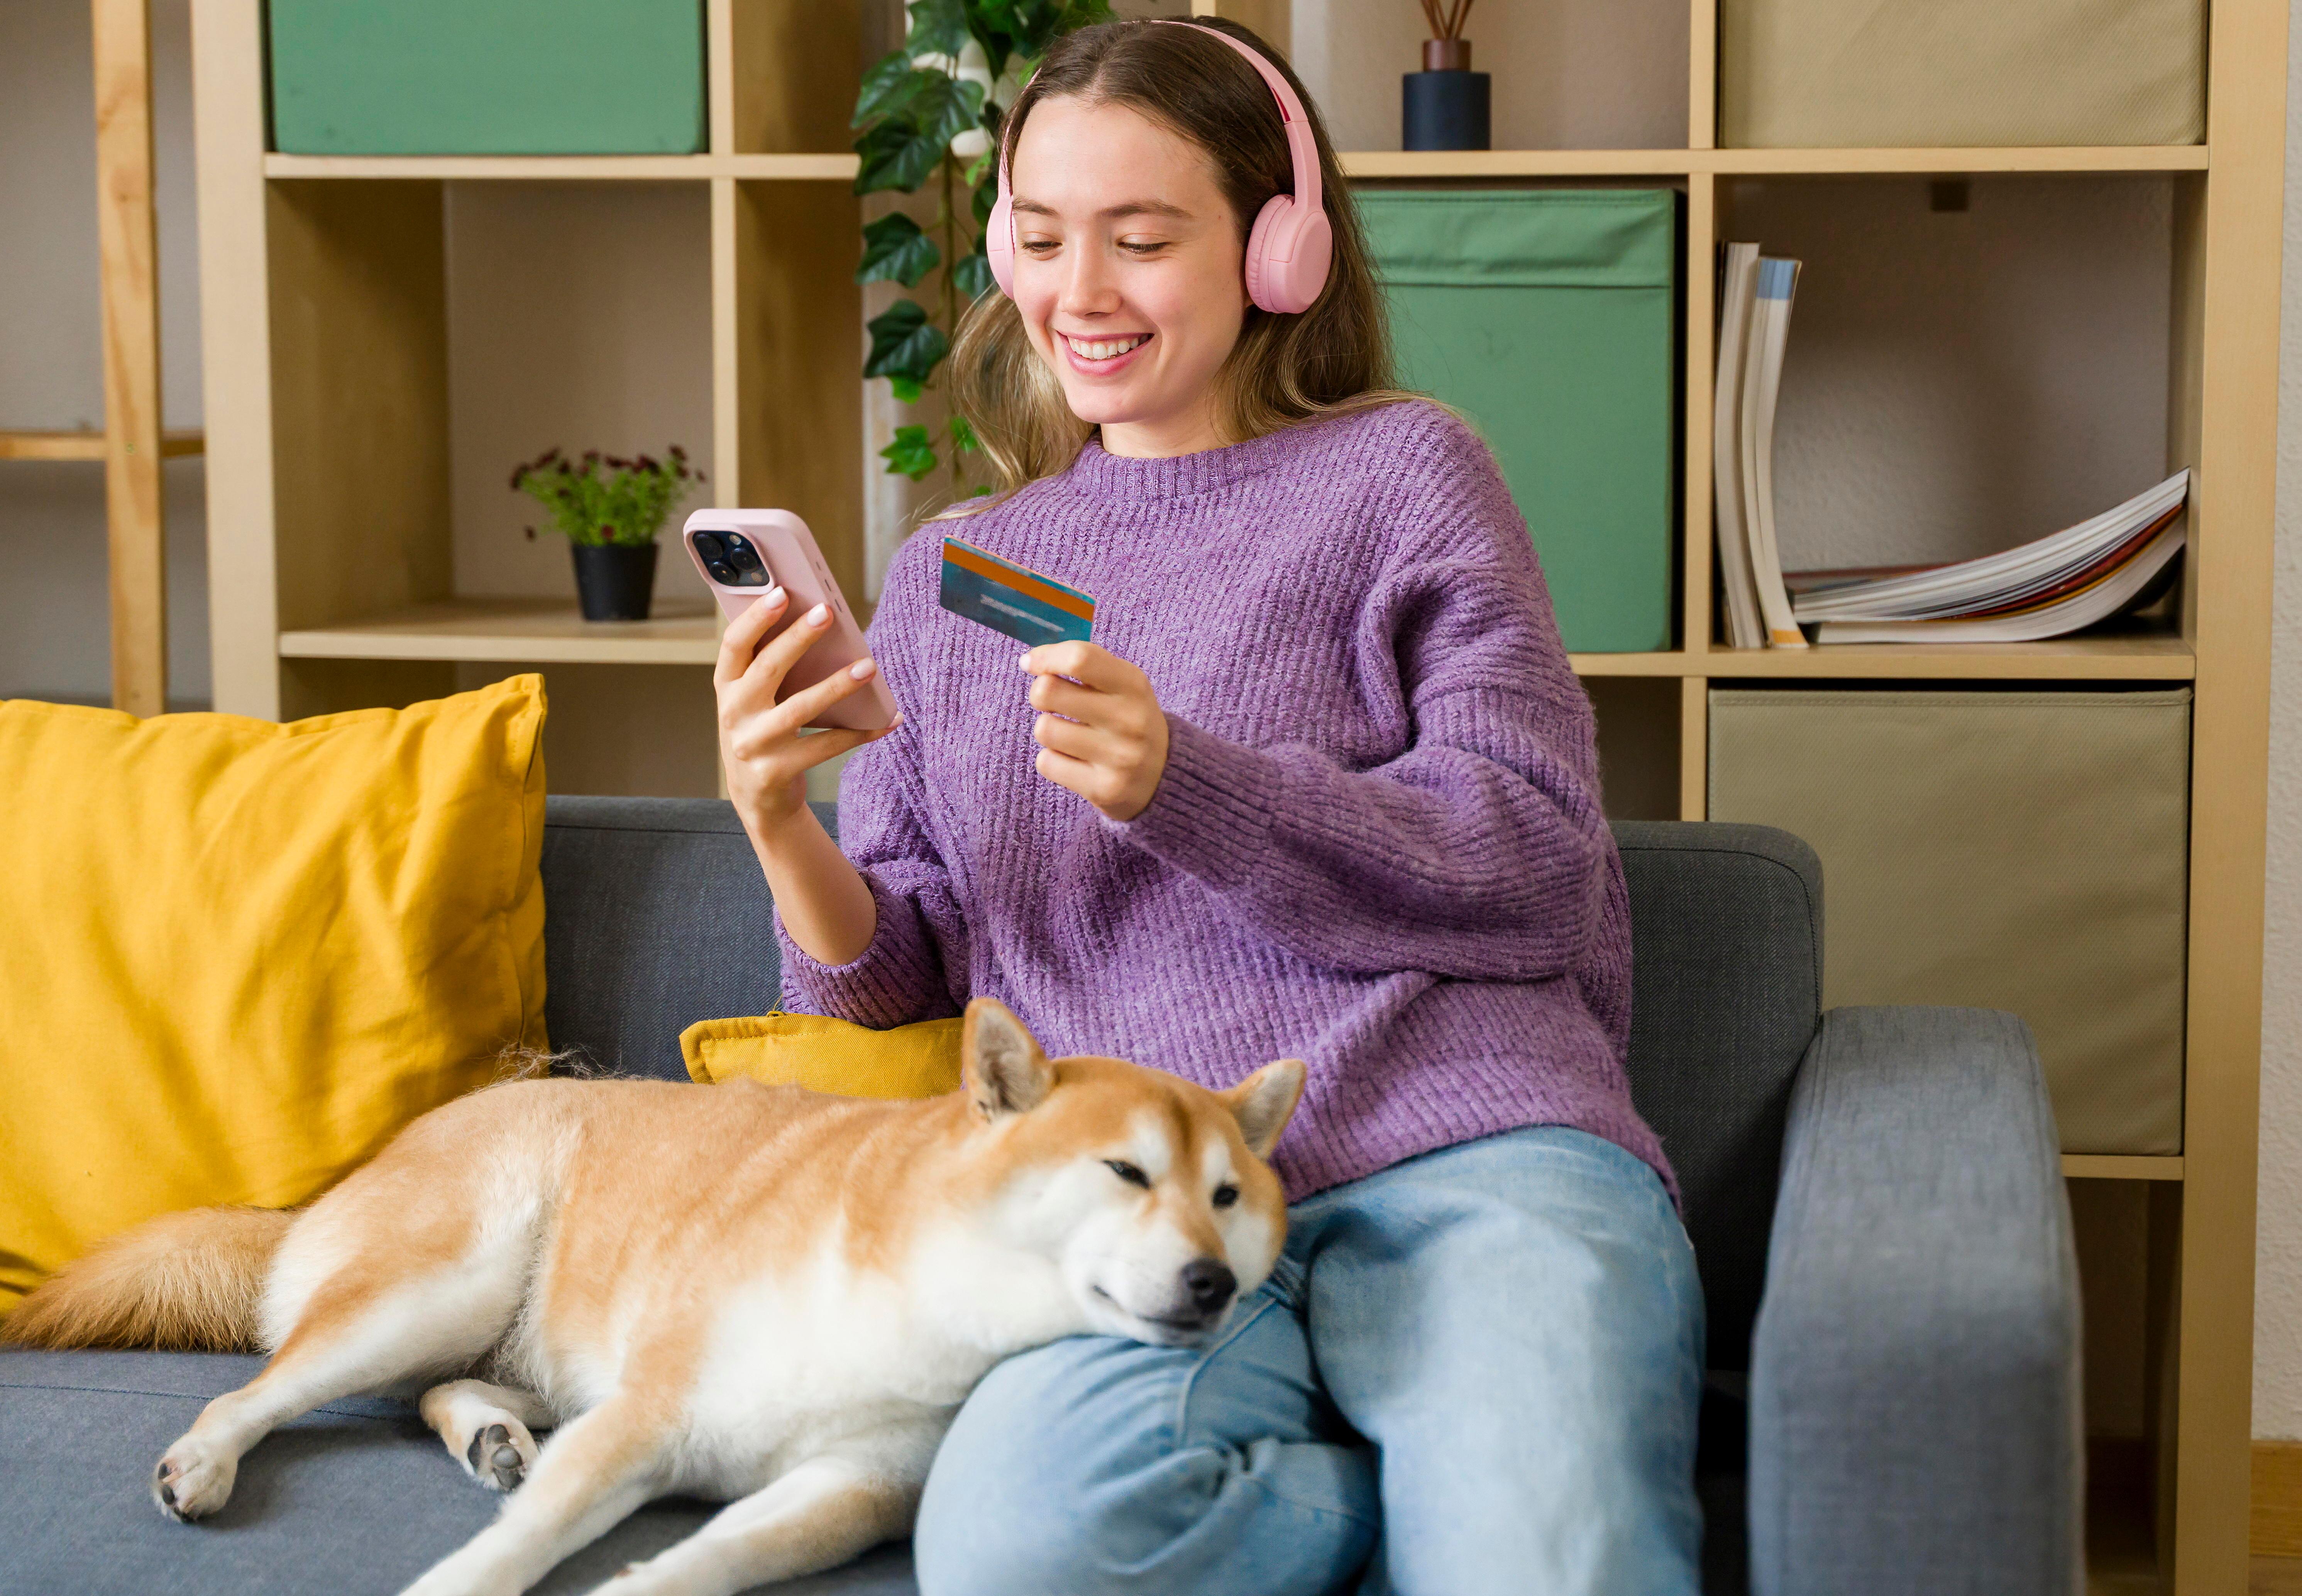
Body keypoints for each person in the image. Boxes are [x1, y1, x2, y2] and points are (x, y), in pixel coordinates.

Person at [712, 17, 1703, 1595]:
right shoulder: (957, 571)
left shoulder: (1406, 475)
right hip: (1133, 1193)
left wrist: (1196, 784)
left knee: (1543, 1560)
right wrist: (779, 823)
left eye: (1143, 238)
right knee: (1022, 1551)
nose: (1080, 295)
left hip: (1468, 1151)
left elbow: (1534, 861)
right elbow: (900, 967)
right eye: (1041, 238)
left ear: (1282, 246)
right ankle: (1392, 1506)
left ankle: (1462, 1509)